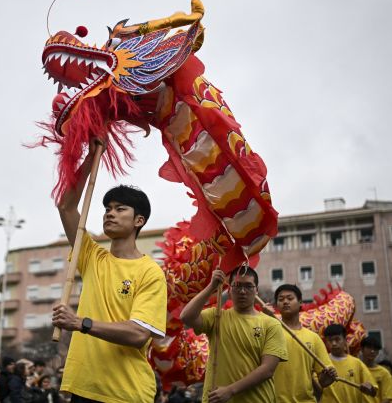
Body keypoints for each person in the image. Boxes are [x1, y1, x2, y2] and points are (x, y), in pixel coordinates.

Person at [52, 142, 167, 403]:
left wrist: (80, 323)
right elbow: (66, 207)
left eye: (120, 209)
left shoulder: (150, 272)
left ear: (139, 220)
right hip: (82, 388)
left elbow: (139, 334)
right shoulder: (92, 256)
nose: (110, 214)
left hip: (126, 394)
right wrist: (92, 156)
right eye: (107, 209)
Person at [180, 266, 288, 403]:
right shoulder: (217, 316)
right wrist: (211, 286)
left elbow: (267, 369)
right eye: (237, 286)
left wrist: (230, 390)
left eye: (248, 286)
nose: (242, 291)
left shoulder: (271, 324)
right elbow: (186, 317)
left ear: (256, 290)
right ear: (229, 290)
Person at [272, 284, 337, 402]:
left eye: (290, 298)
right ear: (277, 305)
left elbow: (323, 380)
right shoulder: (270, 333)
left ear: (300, 302)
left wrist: (328, 376)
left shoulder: (313, 338)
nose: (285, 302)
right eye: (281, 299)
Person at [321, 324, 377, 403]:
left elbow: (374, 391)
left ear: (345, 340)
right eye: (330, 340)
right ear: (326, 342)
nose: (333, 343)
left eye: (337, 339)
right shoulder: (322, 362)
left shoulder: (357, 363)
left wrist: (370, 388)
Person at [360, 336, 392, 403]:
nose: (372, 351)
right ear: (362, 349)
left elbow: (387, 398)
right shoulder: (356, 369)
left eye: (375, 349)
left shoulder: (384, 373)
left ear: (378, 352)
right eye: (369, 347)